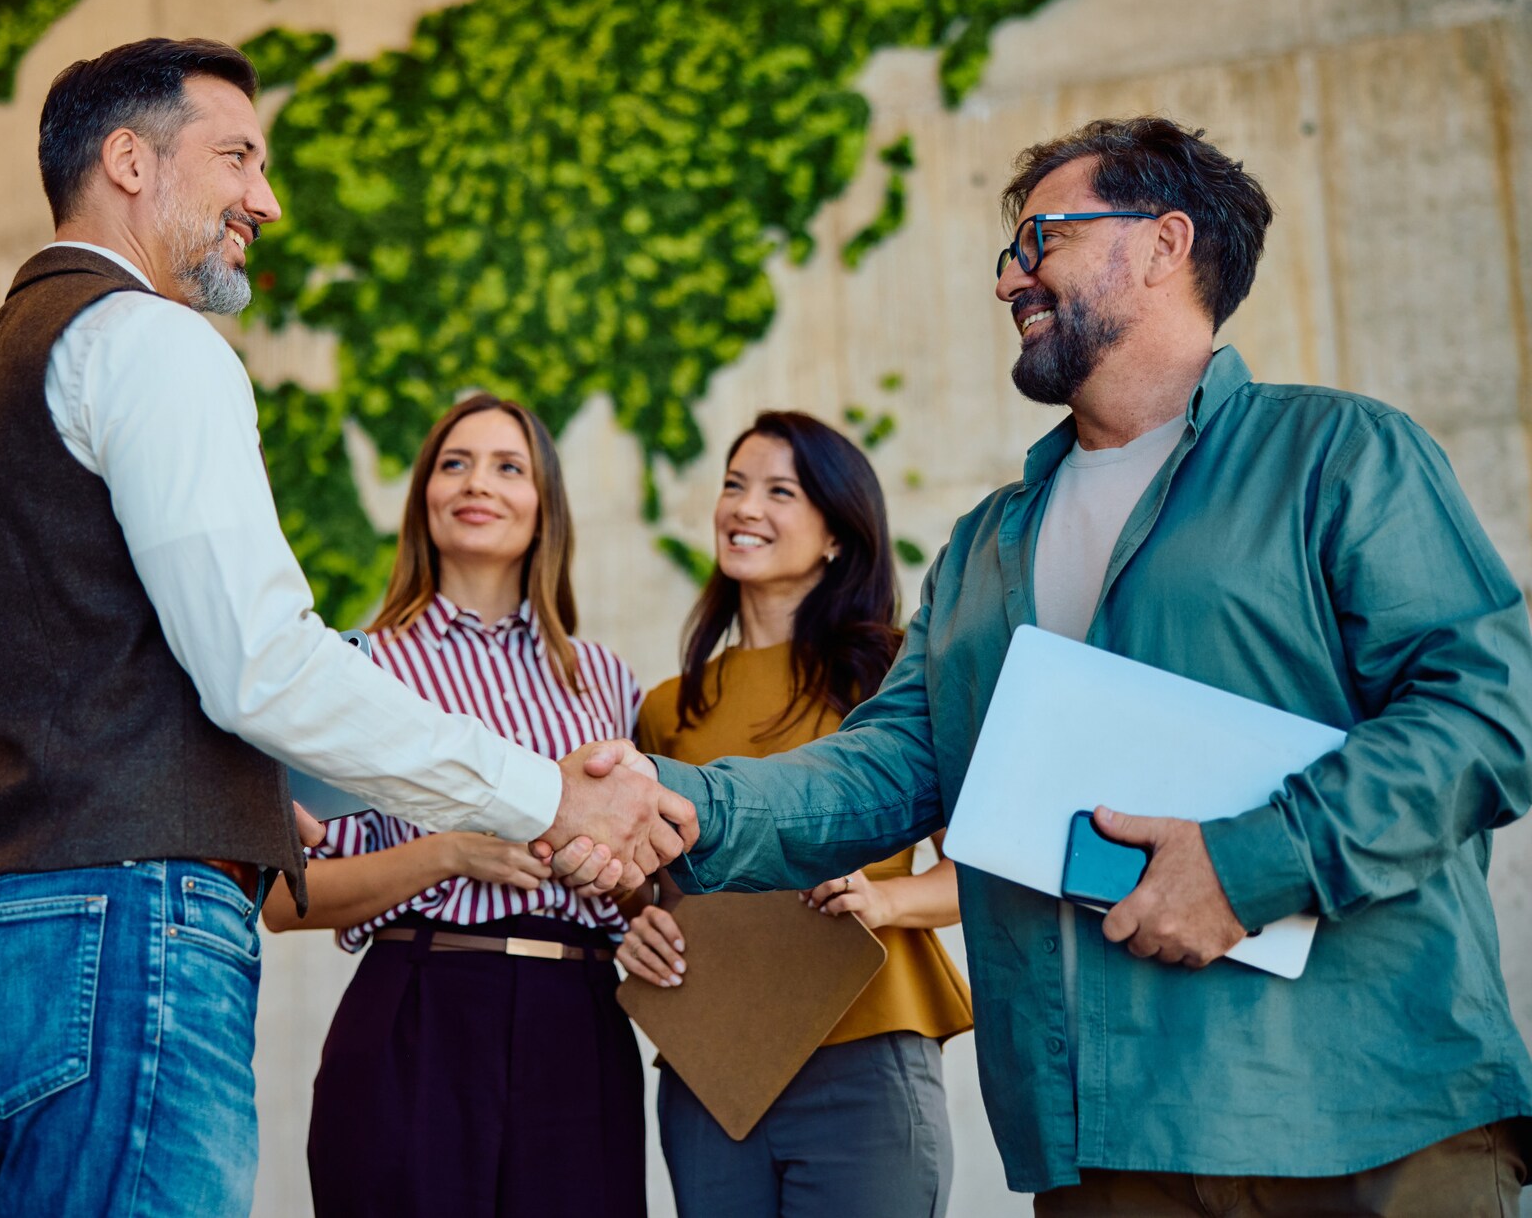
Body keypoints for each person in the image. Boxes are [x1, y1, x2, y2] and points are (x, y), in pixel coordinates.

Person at [560, 117, 1532, 1214]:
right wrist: (677, 802)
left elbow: (1491, 710)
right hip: (1099, 1153)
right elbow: (888, 769)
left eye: (1041, 239)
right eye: (1007, 252)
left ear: (1163, 243)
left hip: (1362, 1119)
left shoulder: (1338, 454)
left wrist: (1252, 862)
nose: (1009, 279)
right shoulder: (986, 544)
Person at [0, 37, 693, 1218]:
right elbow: (259, 664)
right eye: (236, 157)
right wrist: (551, 797)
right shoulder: (154, 343)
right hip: (131, 952)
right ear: (128, 161)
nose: (264, 199)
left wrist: (210, 783)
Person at [263, 392, 648, 1218]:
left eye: (509, 466)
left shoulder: (607, 681)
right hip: (417, 1013)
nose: (479, 483)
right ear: (424, 498)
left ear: (544, 504)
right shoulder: (354, 676)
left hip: (578, 1024)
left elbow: (639, 881)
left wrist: (621, 885)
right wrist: (451, 851)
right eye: (454, 463)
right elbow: (283, 898)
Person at [619, 410, 972, 1217]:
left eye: (781, 491)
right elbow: (652, 889)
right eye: (735, 485)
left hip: (868, 1051)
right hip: (711, 1067)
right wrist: (637, 921)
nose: (745, 508)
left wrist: (885, 901)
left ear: (837, 535)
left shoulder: (894, 677)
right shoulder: (669, 708)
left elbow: (974, 868)